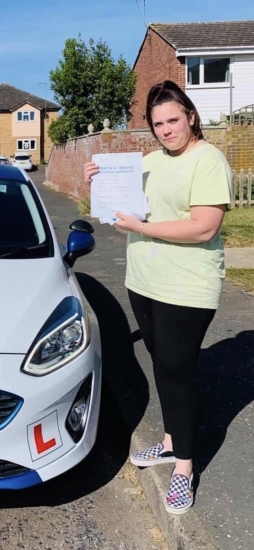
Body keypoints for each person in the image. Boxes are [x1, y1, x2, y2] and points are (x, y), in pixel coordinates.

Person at [84, 80, 232, 515]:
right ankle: (170, 443)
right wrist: (97, 182)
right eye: (158, 123)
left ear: (190, 116)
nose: (167, 130)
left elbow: (204, 227)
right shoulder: (148, 162)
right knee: (163, 364)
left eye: (173, 120)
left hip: (187, 285)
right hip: (144, 280)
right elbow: (121, 216)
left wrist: (143, 228)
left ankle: (184, 467)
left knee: (174, 370)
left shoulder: (208, 160)